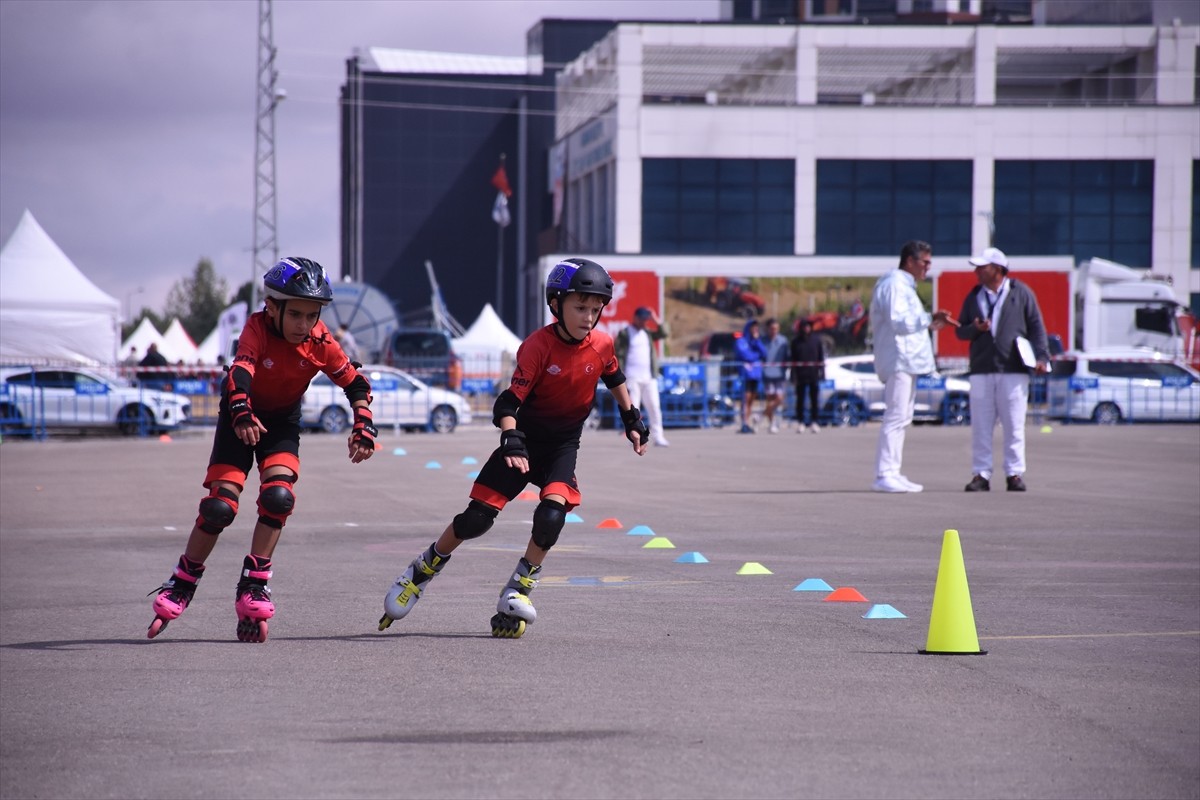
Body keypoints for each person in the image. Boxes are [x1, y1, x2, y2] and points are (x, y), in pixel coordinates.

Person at [377, 258, 648, 639]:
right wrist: (511, 437)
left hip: (562, 446)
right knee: (476, 521)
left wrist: (632, 417)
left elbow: (614, 375)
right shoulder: (538, 346)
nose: (589, 316)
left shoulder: (602, 344)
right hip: (522, 444)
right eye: (580, 307)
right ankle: (422, 569)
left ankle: (517, 590)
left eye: (595, 308)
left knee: (551, 518)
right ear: (556, 304)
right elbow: (508, 404)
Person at [146, 257, 376, 643]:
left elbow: (354, 382)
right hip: (240, 417)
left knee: (279, 498)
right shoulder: (257, 328)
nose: (305, 325)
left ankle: (254, 582)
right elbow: (240, 371)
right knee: (219, 506)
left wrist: (363, 423)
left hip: (281, 423)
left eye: (313, 315)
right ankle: (182, 581)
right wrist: (240, 411)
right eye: (297, 315)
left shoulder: (319, 339)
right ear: (272, 306)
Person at [955, 247, 1051, 493]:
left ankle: (1014, 473)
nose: (976, 271)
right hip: (981, 369)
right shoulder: (974, 295)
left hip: (1013, 369)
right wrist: (975, 328)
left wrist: (1042, 357)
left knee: (1014, 424)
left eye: (982, 267)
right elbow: (960, 330)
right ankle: (981, 474)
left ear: (997, 269)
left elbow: (1036, 328)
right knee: (981, 425)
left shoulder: (1021, 294)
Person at [869, 240, 958, 493]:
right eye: (925, 262)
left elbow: (909, 322)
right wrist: (928, 318)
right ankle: (885, 473)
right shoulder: (894, 284)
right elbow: (898, 321)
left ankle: (892, 471)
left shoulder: (905, 286)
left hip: (907, 360)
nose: (928, 268)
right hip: (898, 359)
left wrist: (930, 323)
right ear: (910, 261)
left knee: (903, 417)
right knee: (896, 416)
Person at [615, 306, 670, 447]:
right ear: (635, 318)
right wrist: (620, 374)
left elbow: (664, 333)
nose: (644, 322)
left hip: (649, 377)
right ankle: (634, 436)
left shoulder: (648, 333)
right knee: (633, 409)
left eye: (646, 320)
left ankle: (659, 436)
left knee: (654, 406)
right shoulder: (625, 333)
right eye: (642, 319)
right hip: (632, 377)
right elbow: (616, 352)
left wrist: (656, 319)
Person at [790, 318, 825, 434]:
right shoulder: (795, 342)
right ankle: (801, 422)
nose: (806, 328)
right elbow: (793, 361)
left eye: (808, 326)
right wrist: (793, 376)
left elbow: (821, 358)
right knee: (800, 400)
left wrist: (822, 373)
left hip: (813, 375)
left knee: (814, 399)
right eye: (805, 326)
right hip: (801, 376)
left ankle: (814, 421)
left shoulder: (816, 340)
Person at [735, 318, 768, 434]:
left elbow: (764, 353)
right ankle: (744, 423)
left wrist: (757, 342)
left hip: (756, 375)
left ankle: (747, 422)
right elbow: (746, 355)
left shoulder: (757, 341)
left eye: (756, 328)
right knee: (746, 399)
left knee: (751, 400)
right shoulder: (741, 341)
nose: (755, 330)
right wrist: (756, 355)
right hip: (746, 374)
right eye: (753, 327)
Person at [761, 318, 790, 434]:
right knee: (770, 398)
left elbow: (787, 357)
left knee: (780, 398)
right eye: (772, 329)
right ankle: (772, 423)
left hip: (779, 373)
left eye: (776, 329)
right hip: (767, 373)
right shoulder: (763, 341)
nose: (774, 331)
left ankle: (760, 415)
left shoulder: (783, 341)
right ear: (768, 329)